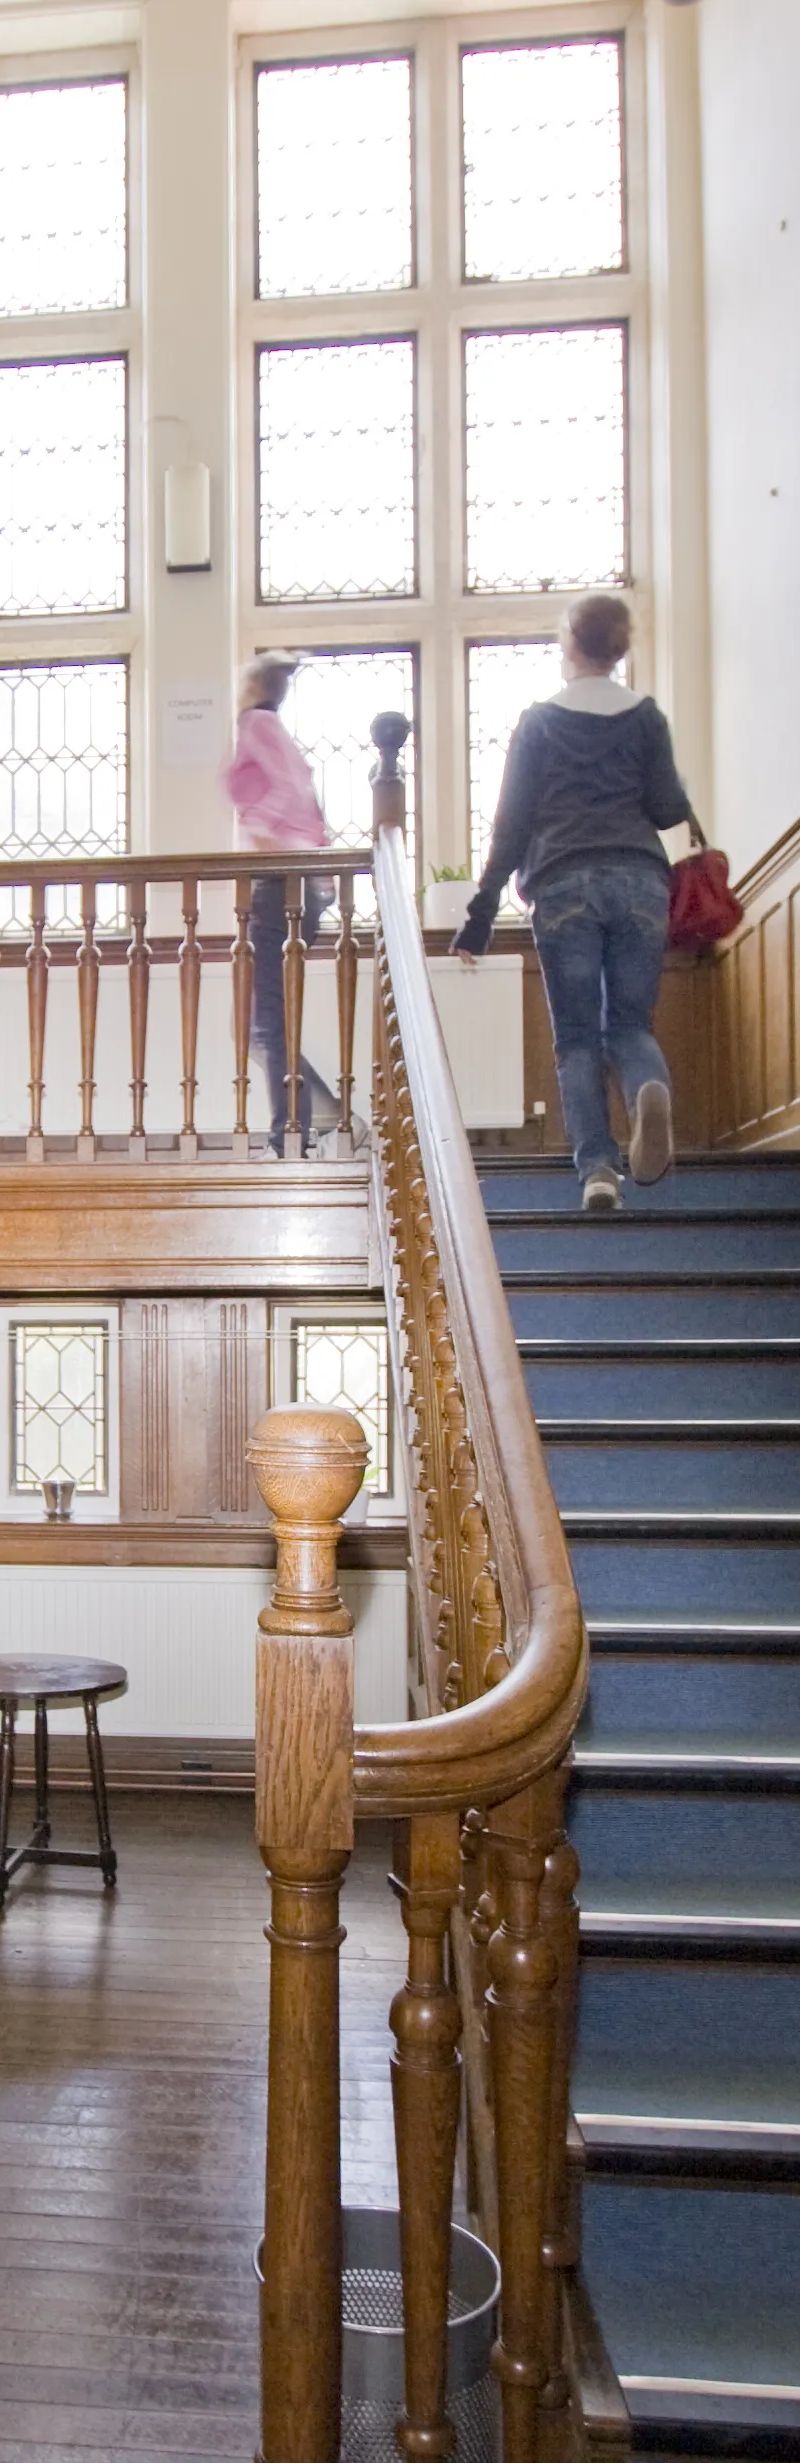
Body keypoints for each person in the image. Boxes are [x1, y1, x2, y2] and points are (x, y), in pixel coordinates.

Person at [452, 596, 700, 1212]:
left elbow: (511, 823)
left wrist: (481, 912)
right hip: (641, 880)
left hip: (563, 883)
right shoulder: (646, 717)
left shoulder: (539, 721)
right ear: (619, 646)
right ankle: (647, 1089)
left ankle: (597, 1170)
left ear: (569, 643)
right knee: (629, 1025)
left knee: (577, 1038)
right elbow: (669, 807)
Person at [222, 651, 341, 1157]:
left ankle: (290, 1134)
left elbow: (275, 802)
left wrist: (265, 837)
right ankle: (311, 1118)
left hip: (277, 886)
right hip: (300, 886)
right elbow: (309, 804)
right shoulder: (281, 737)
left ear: (252, 687)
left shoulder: (255, 726)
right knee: (268, 1021)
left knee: (265, 1023)